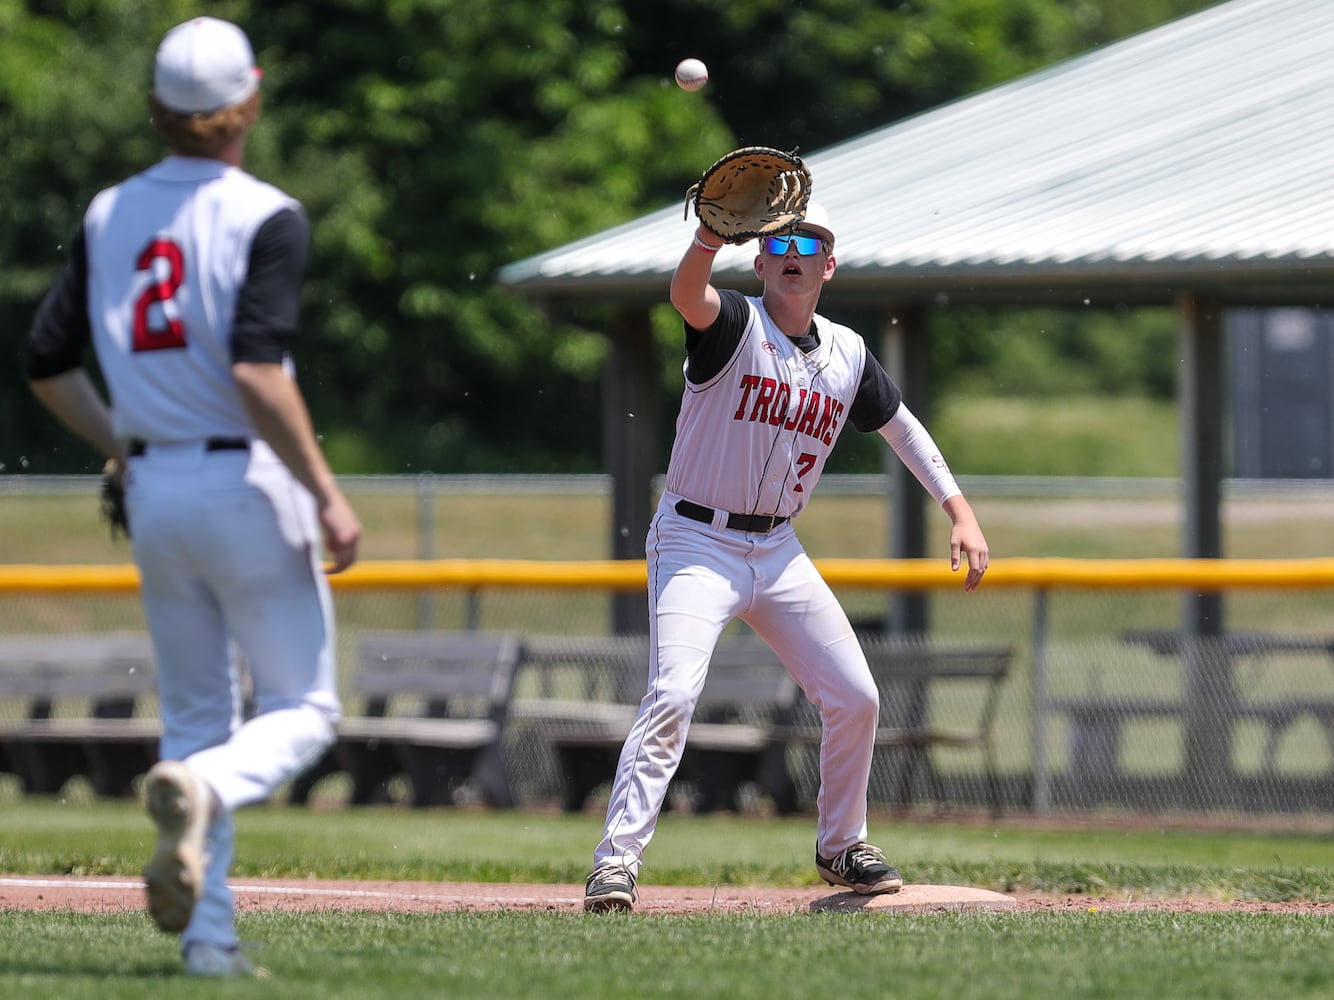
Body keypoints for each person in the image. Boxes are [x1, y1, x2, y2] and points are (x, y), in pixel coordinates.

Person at [25, 17, 361, 977]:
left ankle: (210, 943)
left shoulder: (106, 212)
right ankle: (204, 791)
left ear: (155, 111)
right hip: (245, 476)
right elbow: (259, 373)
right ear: (249, 102)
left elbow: (46, 361)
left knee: (194, 716)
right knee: (304, 709)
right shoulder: (268, 213)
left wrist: (121, 444)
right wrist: (328, 493)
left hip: (156, 485)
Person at [583, 201, 990, 912]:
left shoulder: (849, 354)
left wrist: (958, 509)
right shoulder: (734, 324)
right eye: (781, 242)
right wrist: (708, 238)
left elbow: (902, 429)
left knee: (857, 696)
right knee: (673, 695)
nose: (796, 250)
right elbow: (685, 295)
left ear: (829, 265)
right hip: (695, 541)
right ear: (761, 261)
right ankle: (616, 861)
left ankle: (842, 845)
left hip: (776, 547)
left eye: (812, 242)